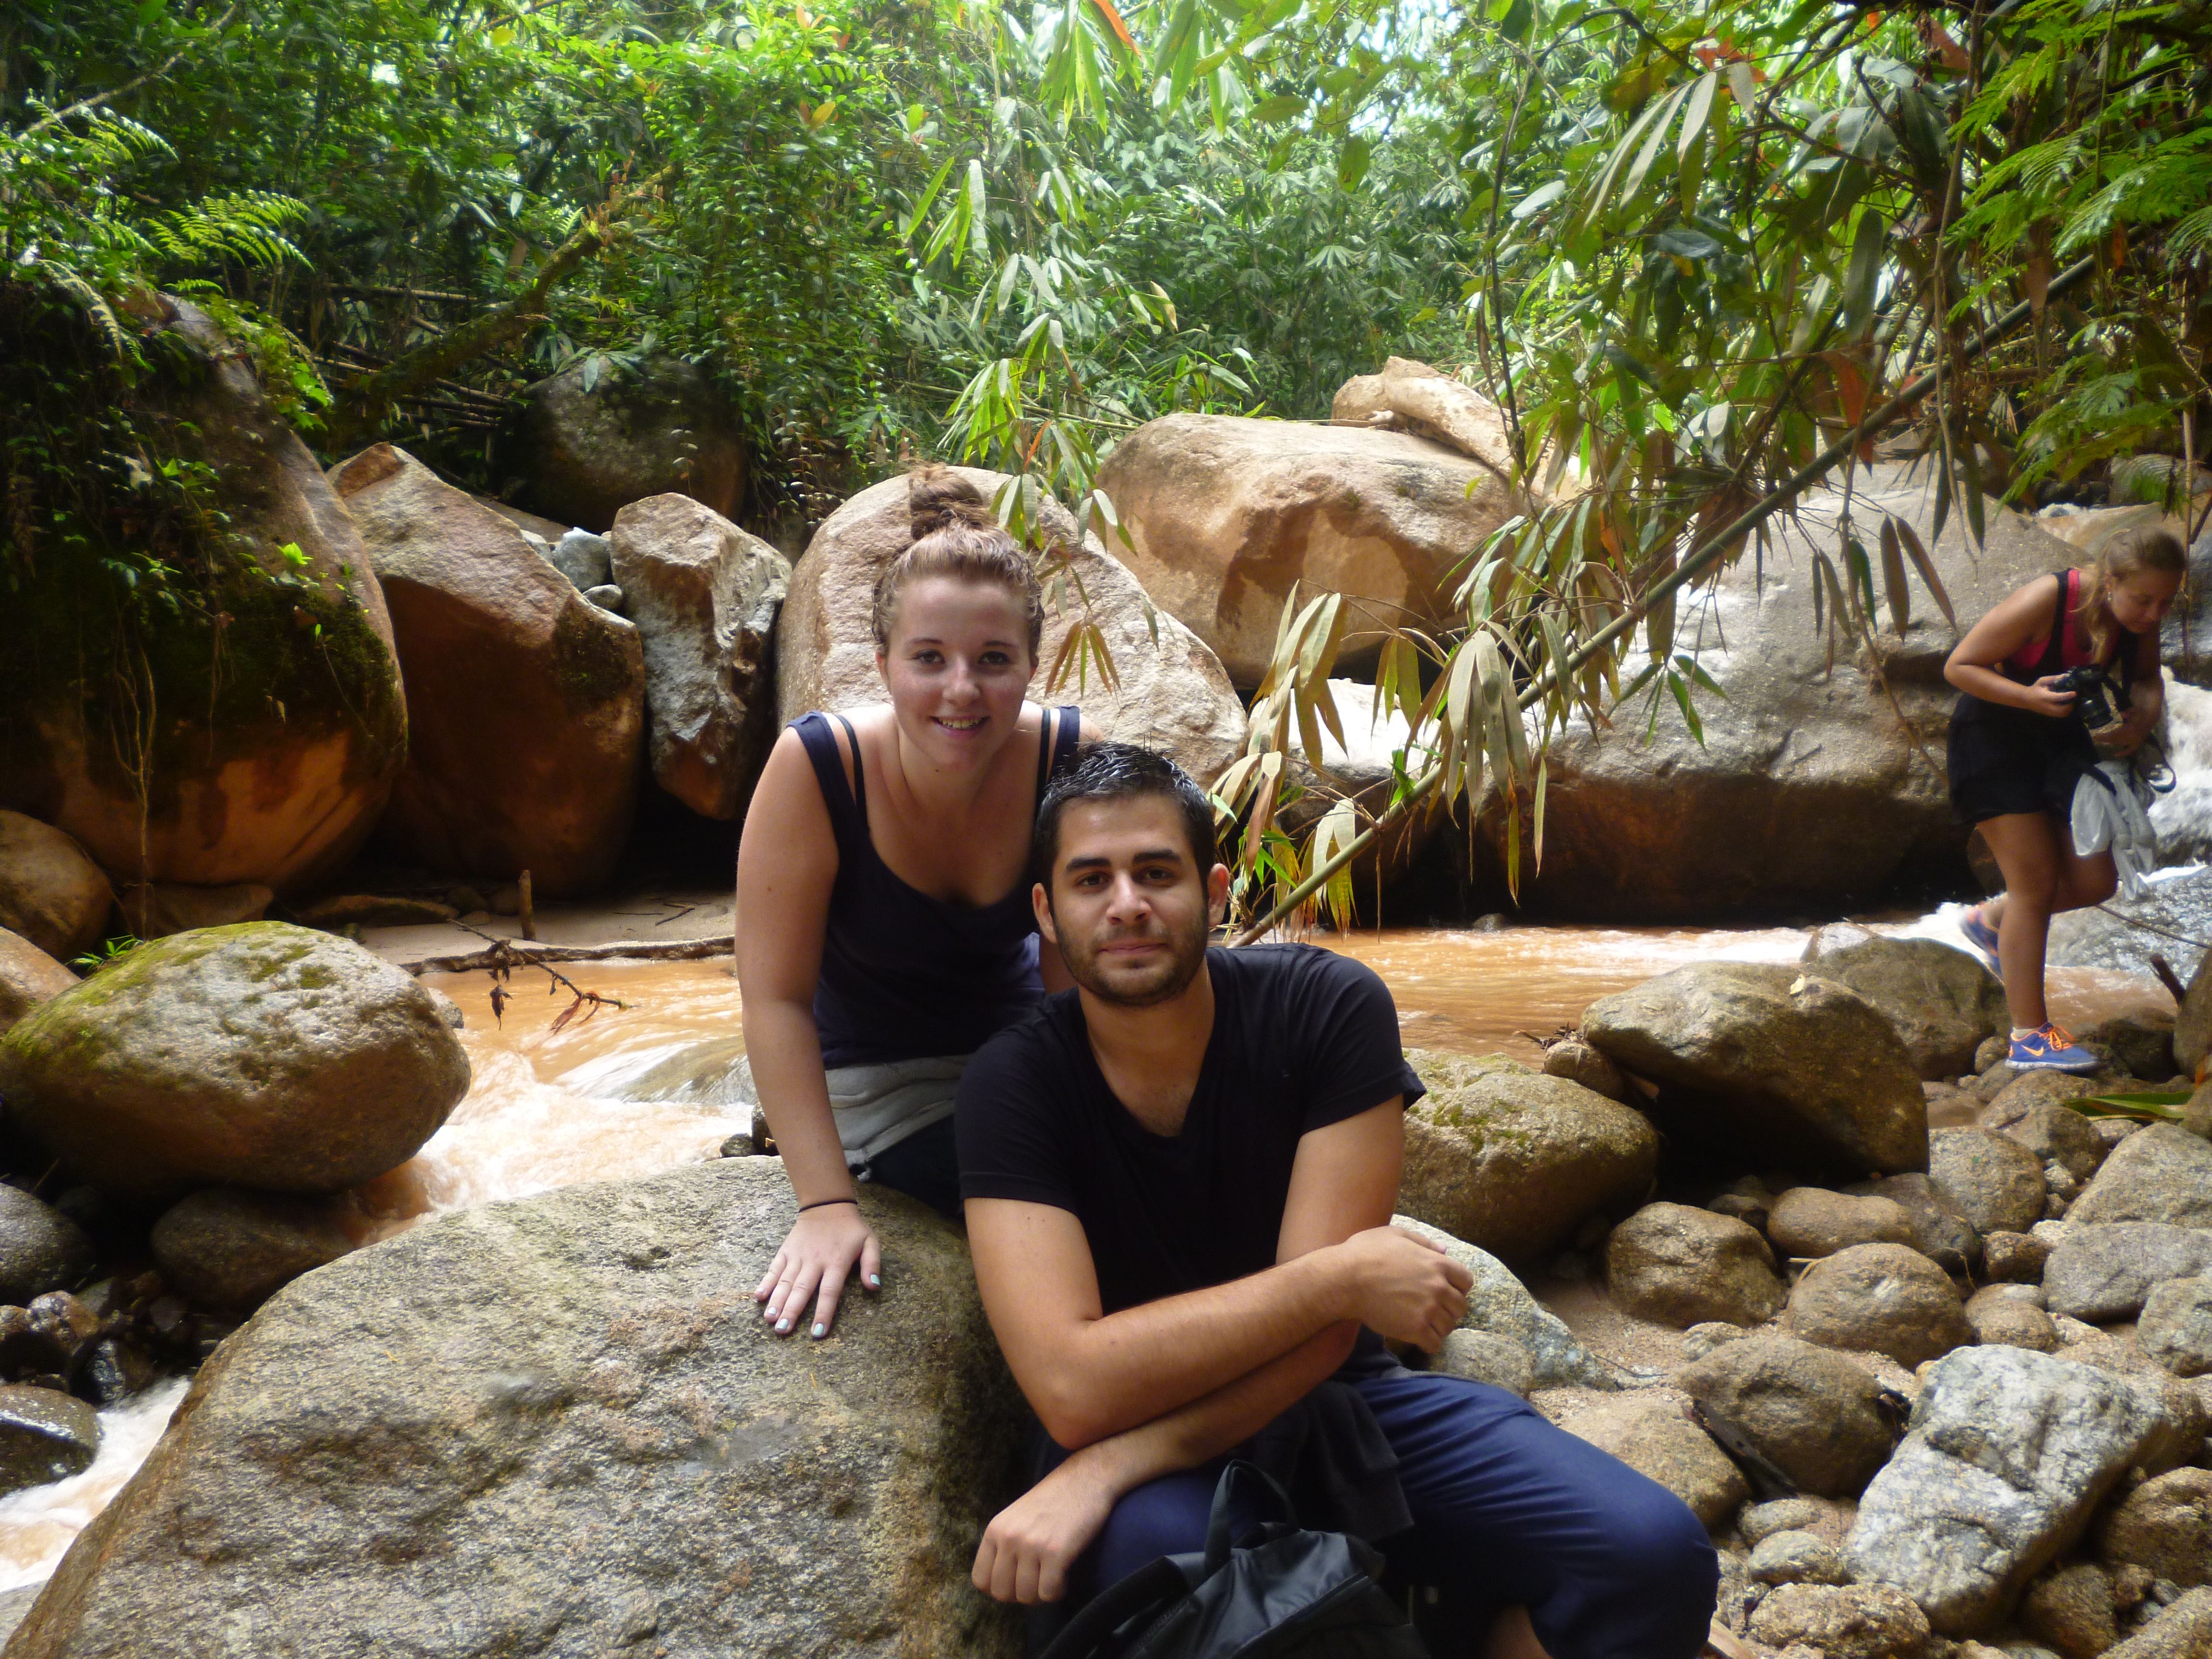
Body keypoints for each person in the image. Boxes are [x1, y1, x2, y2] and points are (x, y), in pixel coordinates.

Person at [955, 744, 1719, 1659]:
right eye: (1091, 880)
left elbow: (1320, 1339)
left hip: (1336, 1401)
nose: (1126, 904)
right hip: (1134, 1429)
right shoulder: (1013, 1084)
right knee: (1182, 1580)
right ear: (1046, 911)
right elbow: (1074, 1390)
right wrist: (1336, 1280)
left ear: (1214, 890)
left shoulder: (1324, 1007)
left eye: (1155, 873)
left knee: (1652, 1553)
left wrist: (1113, 1464)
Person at [734, 466, 1085, 1340]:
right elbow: (774, 1000)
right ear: (882, 663)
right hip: (875, 1084)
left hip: (1014, 1061)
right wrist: (825, 1204)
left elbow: (1079, 987)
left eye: (993, 660)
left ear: (1031, 666)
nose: (961, 690)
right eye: (929, 658)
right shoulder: (818, 770)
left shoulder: (1067, 762)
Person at [1945, 527, 2187, 1071]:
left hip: (2060, 748)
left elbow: (2147, 678)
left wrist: (2142, 719)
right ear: (2111, 582)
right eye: (2143, 600)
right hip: (1993, 742)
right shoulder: (2049, 600)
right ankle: (2030, 1037)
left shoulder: (2139, 618)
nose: (2154, 613)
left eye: (2166, 602)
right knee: (2034, 885)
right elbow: (1959, 666)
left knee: (2096, 881)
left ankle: (1991, 922)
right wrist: (2027, 696)